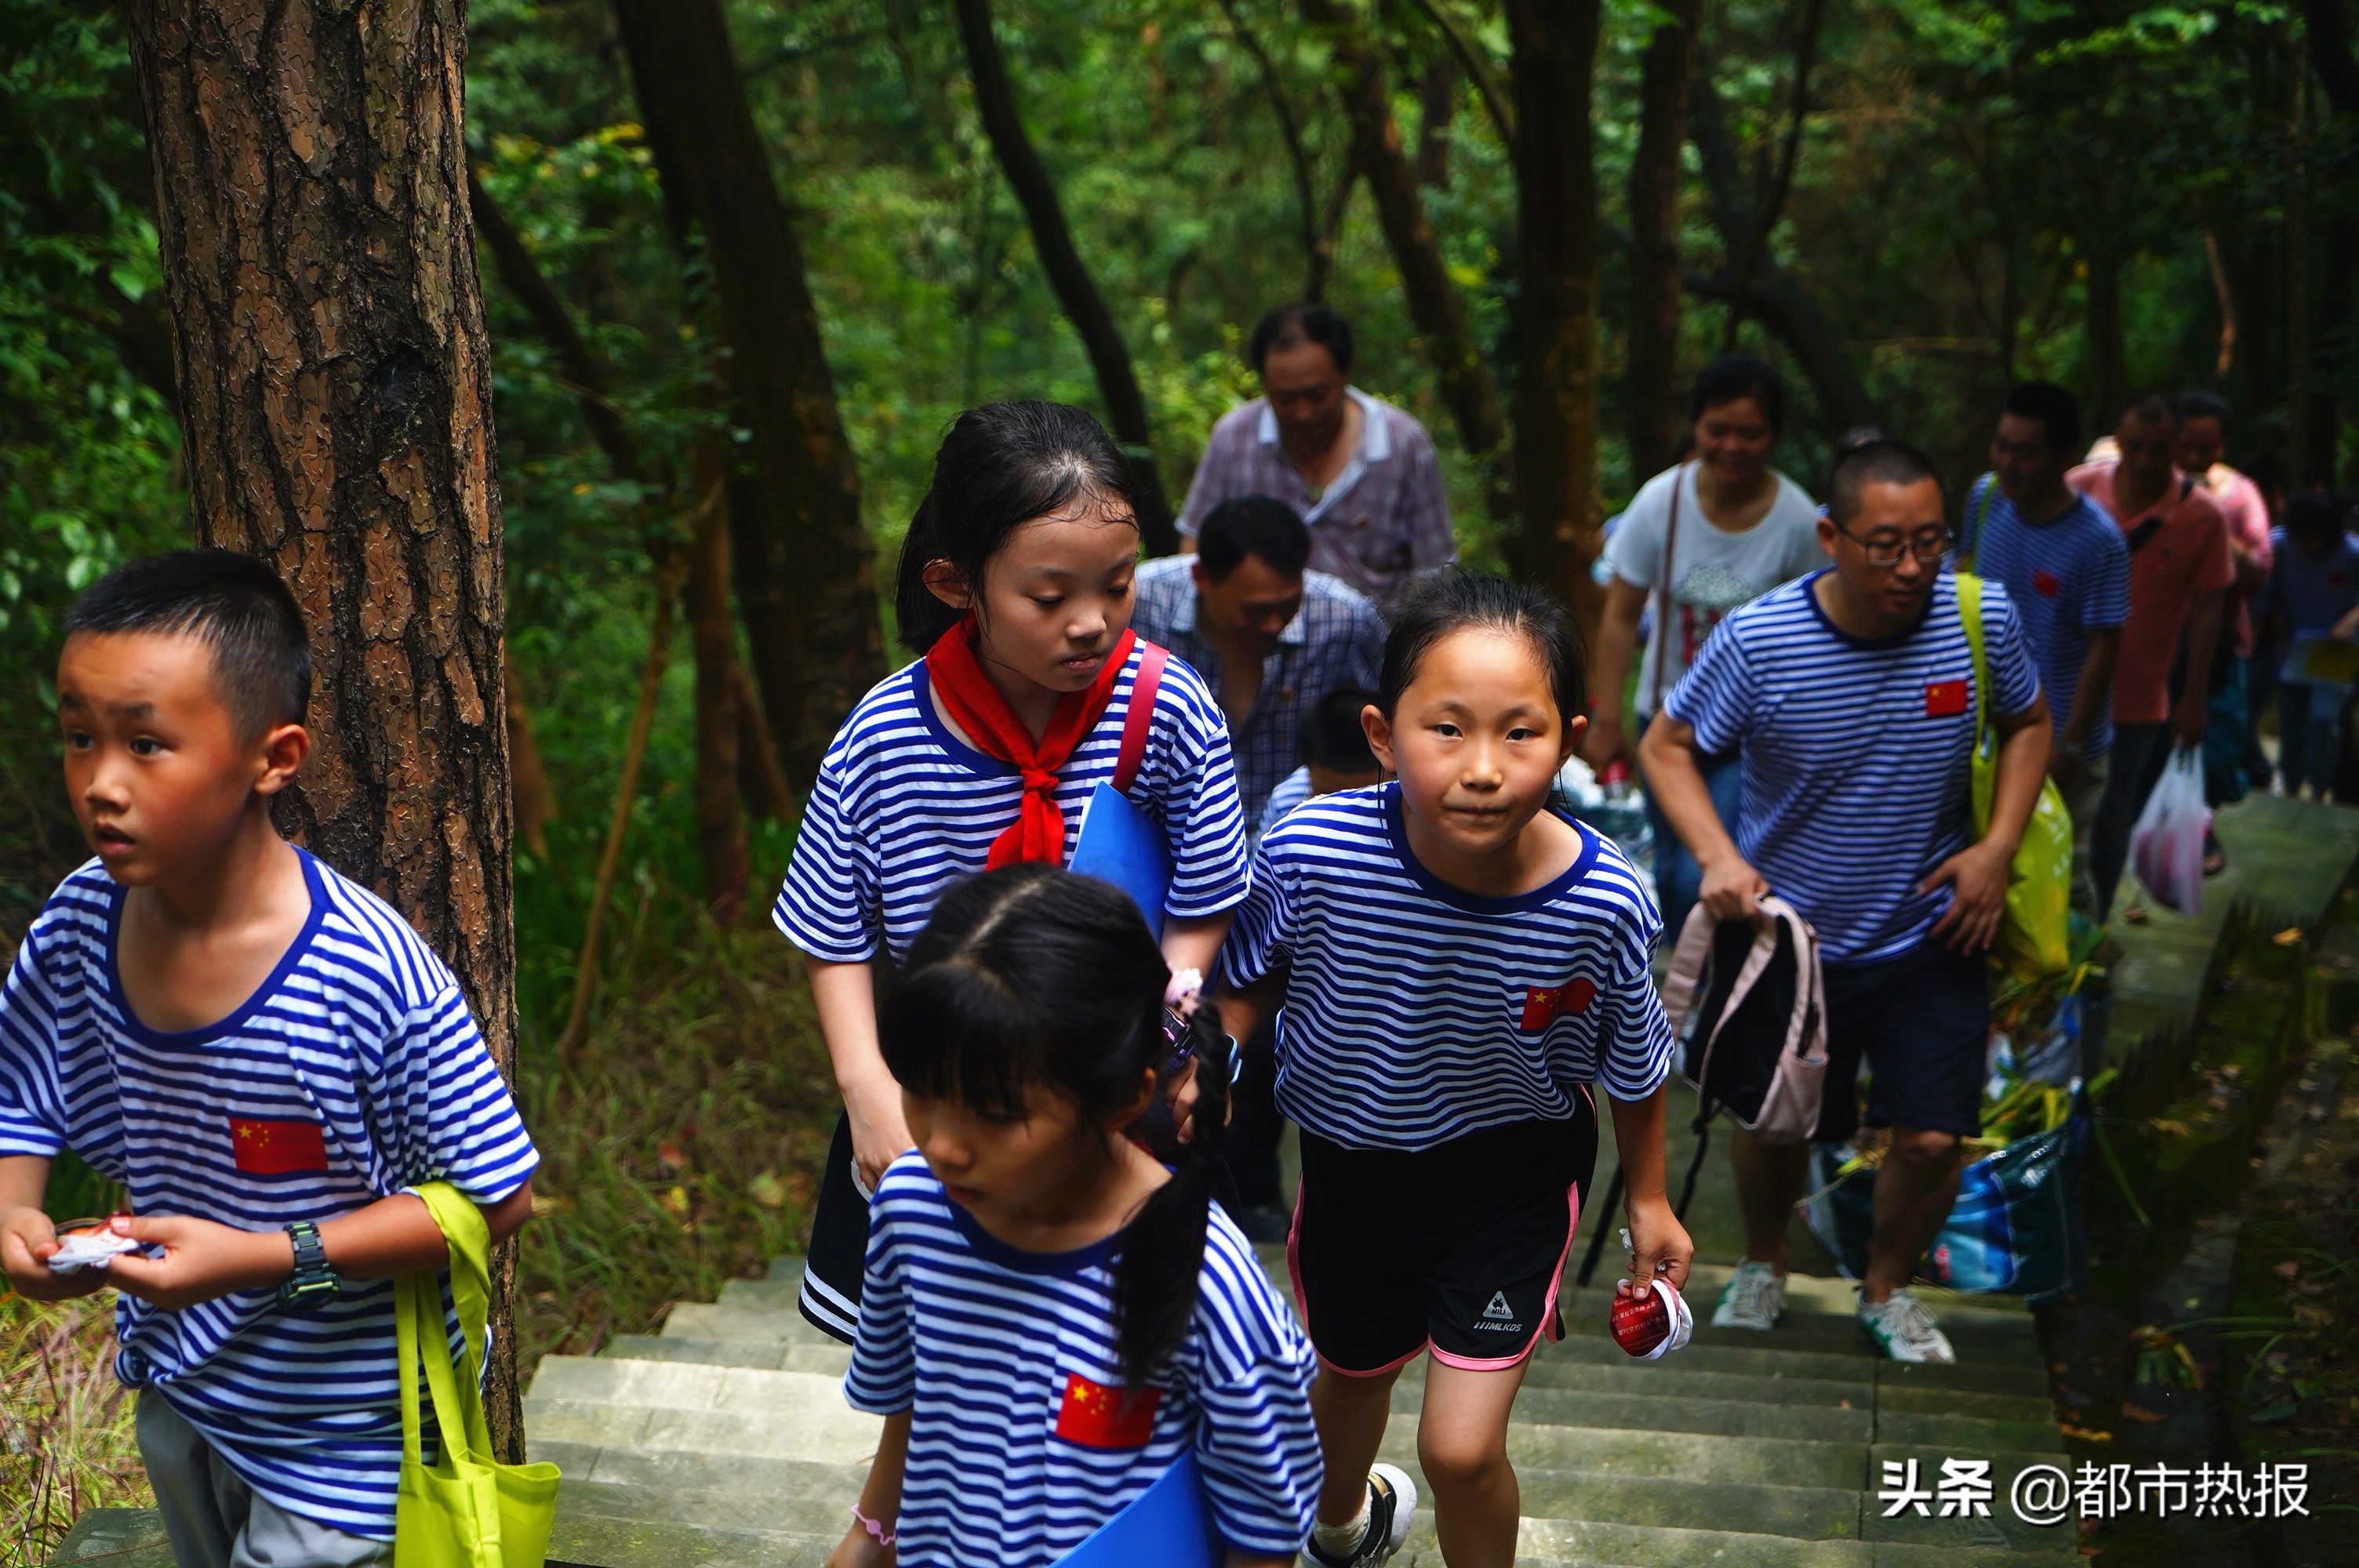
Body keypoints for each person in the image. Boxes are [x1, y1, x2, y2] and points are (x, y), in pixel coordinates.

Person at [0, 551, 540, 1568]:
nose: (100, 785)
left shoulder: (365, 975)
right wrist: (16, 1221)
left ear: (274, 756)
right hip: (183, 1398)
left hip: (351, 1445)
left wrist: (261, 1258)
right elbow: (20, 1097)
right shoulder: (79, 924)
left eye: (146, 744)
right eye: (80, 739)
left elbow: (493, 1196)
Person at [1221, 575, 1690, 1567]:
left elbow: (1632, 1060)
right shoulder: (1309, 852)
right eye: (1446, 729)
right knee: (1345, 1380)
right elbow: (1245, 982)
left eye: (1518, 733)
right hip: (1349, 1168)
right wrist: (1193, 1080)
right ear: (1383, 736)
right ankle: (1341, 1528)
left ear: (1567, 737)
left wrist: (1647, 1198)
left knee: (1458, 1445)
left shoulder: (1602, 899)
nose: (1481, 768)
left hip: (1507, 1179)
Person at [775, 402, 1251, 1344]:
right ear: (956, 582)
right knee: (937, 1346)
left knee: (1125, 1337)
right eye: (1048, 596)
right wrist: (869, 1095)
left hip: (1118, 1085)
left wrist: (1165, 1051)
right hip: (943, 1100)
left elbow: (1202, 902)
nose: (1091, 623)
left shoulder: (1168, 709)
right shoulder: (884, 735)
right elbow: (831, 934)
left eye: (1116, 588)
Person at [1641, 441, 2051, 1364]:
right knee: (1773, 1117)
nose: (1910, 568)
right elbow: (1664, 744)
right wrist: (1717, 857)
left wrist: (1994, 850)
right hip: (1789, 939)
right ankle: (1762, 1258)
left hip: (1934, 925)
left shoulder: (1978, 618)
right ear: (1830, 536)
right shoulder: (1759, 640)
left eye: (1928, 543)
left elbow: (2028, 722)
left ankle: (1886, 1285)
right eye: (1883, 545)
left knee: (1934, 1135)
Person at [828, 866, 1321, 1568]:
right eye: (922, 1091)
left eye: (994, 1116)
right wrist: (871, 1538)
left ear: (1122, 1100)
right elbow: (917, 1405)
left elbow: (1264, 1530)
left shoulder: (1209, 1285)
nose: (941, 1145)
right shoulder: (912, 1207)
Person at [1587, 357, 1825, 935]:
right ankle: (1678, 982)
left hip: (1751, 730)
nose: (1733, 446)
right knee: (1666, 865)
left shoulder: (1796, 520)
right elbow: (1619, 615)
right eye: (1718, 430)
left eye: (1751, 432)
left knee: (1705, 869)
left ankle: (1709, 984)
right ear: (1695, 428)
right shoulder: (1660, 503)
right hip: (1666, 713)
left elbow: (1816, 626)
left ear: (1774, 437)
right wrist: (1606, 717)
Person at [1960, 381, 2130, 915]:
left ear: (2064, 458)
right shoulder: (1986, 499)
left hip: (2062, 741)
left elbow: (2103, 651)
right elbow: (1963, 581)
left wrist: (2069, 748)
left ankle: (2082, 982)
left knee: (2062, 875)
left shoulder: (2098, 541)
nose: (2009, 463)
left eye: (2025, 452)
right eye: (2001, 446)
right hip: (1989, 733)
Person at [1227, 686, 1385, 1244]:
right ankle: (1257, 1190)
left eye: (1356, 796)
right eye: (1327, 793)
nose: (1338, 812)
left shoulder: (1423, 795)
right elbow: (1269, 922)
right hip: (1312, 963)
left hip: (1392, 963)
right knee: (1262, 1052)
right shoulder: (1292, 805)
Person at [1132, 494, 1385, 837]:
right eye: (1255, 610)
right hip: (1166, 838)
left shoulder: (1345, 621)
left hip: (1301, 842)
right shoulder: (1141, 605)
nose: (1272, 624)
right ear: (1202, 577)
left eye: (1288, 604)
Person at [2070, 393, 2234, 918]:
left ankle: (2091, 931)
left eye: (2157, 450)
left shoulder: (2203, 518)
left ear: (2177, 449)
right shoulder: (2077, 492)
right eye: (2133, 448)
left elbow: (2210, 609)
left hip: (2138, 701)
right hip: (2061, 688)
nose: (2143, 461)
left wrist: (2195, 699)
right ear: (2117, 444)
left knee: (2113, 816)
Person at [1179, 303, 1455, 612]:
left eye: (1317, 396)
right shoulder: (1233, 438)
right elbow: (1195, 544)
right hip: (1256, 639)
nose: (1302, 413)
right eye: (1285, 399)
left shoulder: (1404, 445)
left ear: (1346, 372)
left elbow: (1435, 570)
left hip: (1374, 646)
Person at [2176, 391, 2274, 809]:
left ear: (2223, 446)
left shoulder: (2240, 495)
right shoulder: (2146, 490)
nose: (2196, 455)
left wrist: (2213, 517)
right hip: (2158, 647)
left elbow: (2260, 566)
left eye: (2207, 447)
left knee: (2218, 749)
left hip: (2221, 646)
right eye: (2187, 444)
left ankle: (2205, 823)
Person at [2265, 488, 2359, 798]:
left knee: (2323, 720)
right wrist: (2280, 639)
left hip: (2335, 653)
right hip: (2293, 648)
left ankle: (2320, 788)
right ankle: (2291, 786)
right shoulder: (2279, 545)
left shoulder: (2352, 553)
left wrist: (2351, 619)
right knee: (2291, 725)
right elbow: (2273, 597)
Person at [1260, 685, 1385, 832]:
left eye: (1365, 797)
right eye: (1328, 796)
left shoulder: (1412, 805)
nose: (1345, 814)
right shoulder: (1286, 804)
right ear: (1308, 771)